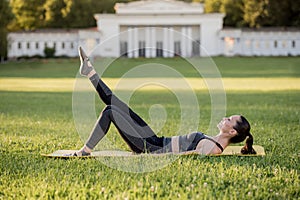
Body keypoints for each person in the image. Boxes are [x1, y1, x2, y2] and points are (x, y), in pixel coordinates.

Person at [70, 47, 256, 156]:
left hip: (149, 148)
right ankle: (90, 72)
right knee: (118, 105)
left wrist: (152, 156)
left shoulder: (213, 148)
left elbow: (186, 155)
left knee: (110, 111)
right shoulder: (214, 140)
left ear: (232, 131)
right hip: (154, 140)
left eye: (229, 119)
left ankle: (85, 151)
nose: (225, 118)